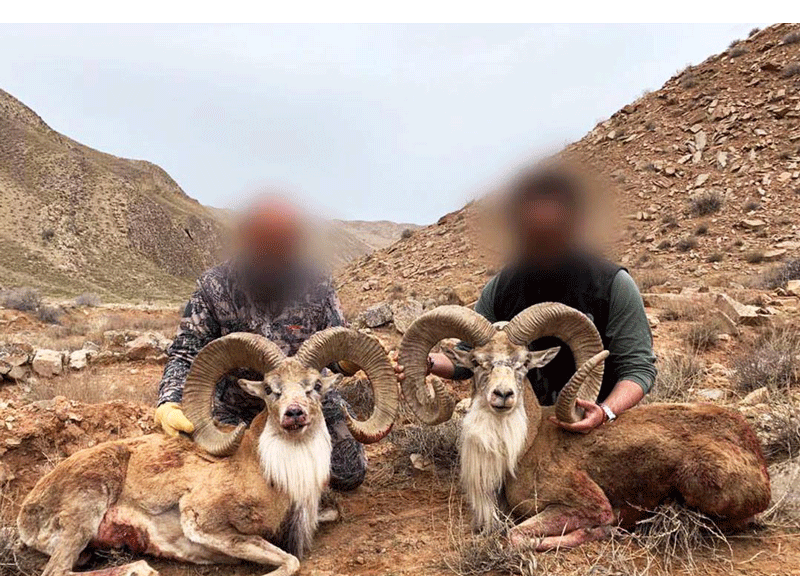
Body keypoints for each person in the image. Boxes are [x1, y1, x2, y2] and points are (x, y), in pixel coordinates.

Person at [397, 163, 656, 433]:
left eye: (551, 231)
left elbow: (638, 369)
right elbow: (468, 358)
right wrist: (423, 362)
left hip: (594, 422)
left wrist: (605, 411)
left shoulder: (612, 285)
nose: (541, 241)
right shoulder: (503, 287)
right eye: (532, 232)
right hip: (521, 420)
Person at [154, 195, 366, 489]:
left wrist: (347, 360)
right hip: (239, 403)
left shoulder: (317, 282)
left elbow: (336, 341)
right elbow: (186, 353)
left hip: (307, 398)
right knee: (223, 478)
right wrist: (170, 401)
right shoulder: (215, 286)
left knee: (348, 472)